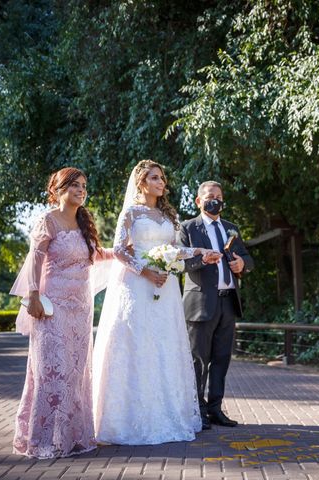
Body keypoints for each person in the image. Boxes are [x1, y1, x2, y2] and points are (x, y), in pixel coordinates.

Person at [92, 160, 220, 445]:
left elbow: (175, 249)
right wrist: (145, 270)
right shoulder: (131, 213)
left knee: (165, 345)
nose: (161, 182)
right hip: (137, 284)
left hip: (166, 287)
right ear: (141, 183)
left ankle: (166, 413)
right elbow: (119, 251)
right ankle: (128, 417)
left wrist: (201, 251)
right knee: (138, 345)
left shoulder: (169, 216)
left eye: (162, 178)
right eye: (154, 178)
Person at [10, 167, 114, 459]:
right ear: (57, 189)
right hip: (52, 306)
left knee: (75, 372)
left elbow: (96, 254)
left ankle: (72, 437)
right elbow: (35, 259)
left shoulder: (83, 222)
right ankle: (43, 439)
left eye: (84, 185)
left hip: (81, 308)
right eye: (75, 185)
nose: (82, 190)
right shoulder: (48, 220)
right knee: (50, 370)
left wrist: (121, 252)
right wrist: (32, 295)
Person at [180, 180, 254, 429]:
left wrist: (242, 265)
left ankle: (215, 410)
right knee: (198, 361)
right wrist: (203, 259)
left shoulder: (231, 228)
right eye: (211, 196)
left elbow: (247, 257)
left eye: (219, 196)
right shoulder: (188, 228)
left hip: (228, 303)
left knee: (221, 359)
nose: (216, 200)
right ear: (199, 201)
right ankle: (197, 412)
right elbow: (180, 264)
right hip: (200, 303)